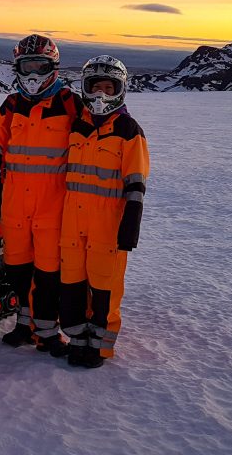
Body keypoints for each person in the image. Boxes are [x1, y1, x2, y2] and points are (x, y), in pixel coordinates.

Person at [0, 34, 82, 355]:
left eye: (38, 66)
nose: (32, 74)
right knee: (17, 271)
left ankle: (48, 334)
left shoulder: (70, 104)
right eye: (26, 66)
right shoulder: (11, 104)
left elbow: (90, 145)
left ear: (52, 66)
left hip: (52, 206)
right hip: (14, 205)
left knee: (47, 276)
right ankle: (24, 325)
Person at [59, 55, 149, 368]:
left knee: (104, 288)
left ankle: (99, 346)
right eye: (95, 87)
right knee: (71, 284)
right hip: (72, 223)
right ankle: (77, 338)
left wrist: (130, 224)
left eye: (108, 88)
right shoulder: (77, 127)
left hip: (107, 224)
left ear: (120, 91)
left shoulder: (127, 130)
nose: (101, 94)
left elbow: (136, 180)